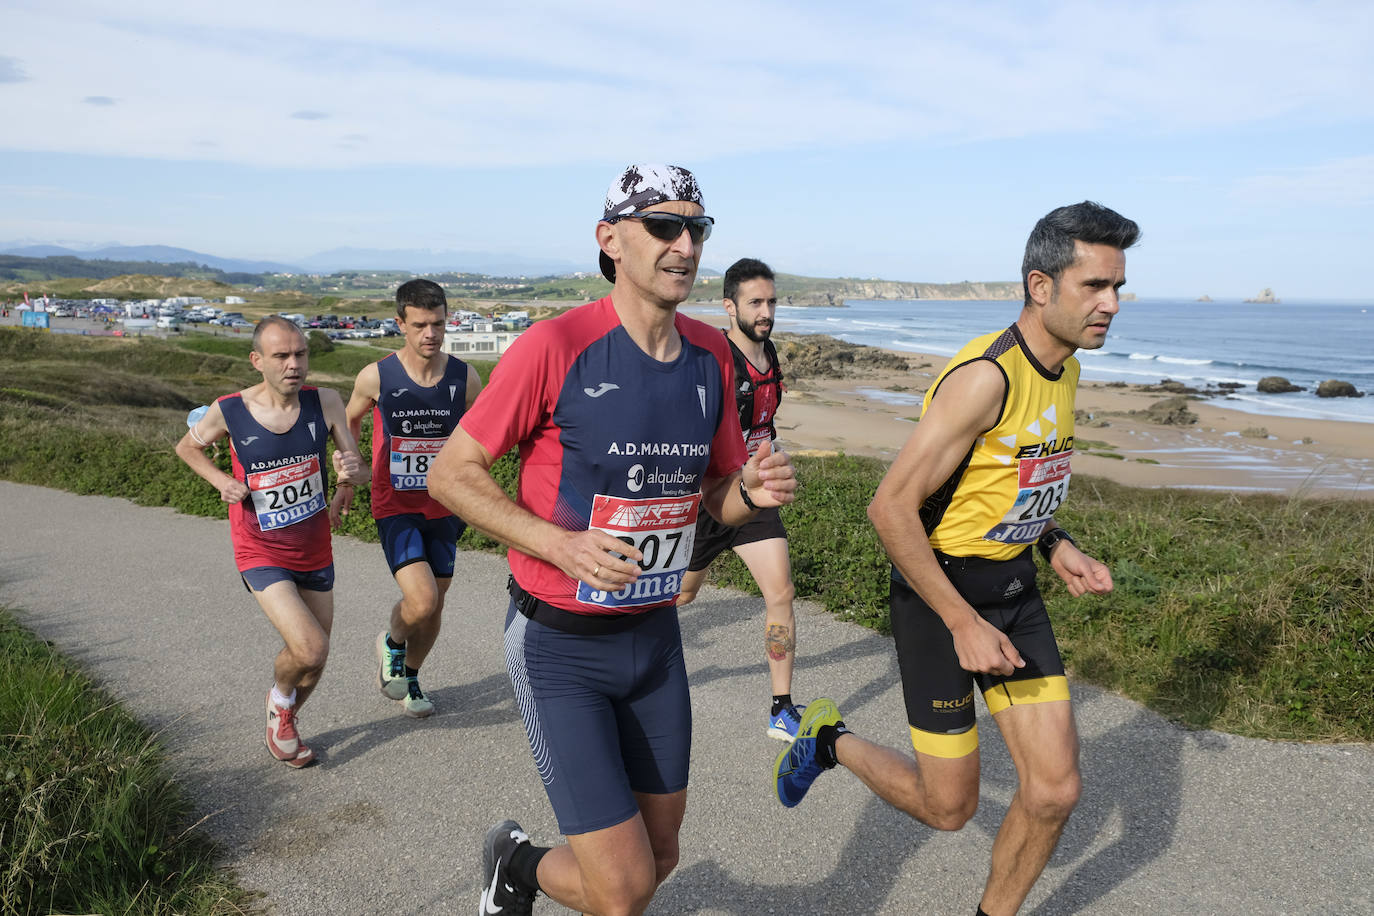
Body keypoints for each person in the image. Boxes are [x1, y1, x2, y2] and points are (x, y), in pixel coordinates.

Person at [427, 164, 797, 916]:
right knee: (624, 890)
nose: (685, 244)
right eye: (664, 225)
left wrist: (748, 492)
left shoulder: (707, 359)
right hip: (560, 645)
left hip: (655, 639)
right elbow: (450, 474)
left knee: (659, 857)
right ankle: (523, 866)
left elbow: (717, 494)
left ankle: (517, 866)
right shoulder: (554, 346)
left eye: (698, 228)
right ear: (611, 239)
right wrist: (559, 545)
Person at [774, 202, 1138, 916]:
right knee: (949, 809)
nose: (1112, 305)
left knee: (1055, 791)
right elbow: (890, 507)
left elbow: (1005, 484)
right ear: (1041, 286)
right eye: (1096, 286)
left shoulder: (1063, 370)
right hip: (941, 596)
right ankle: (826, 737)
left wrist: (1056, 542)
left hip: (1015, 588)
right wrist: (962, 622)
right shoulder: (985, 377)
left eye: (1119, 286)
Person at [175, 316, 368, 767]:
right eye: (281, 356)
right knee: (310, 648)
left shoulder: (326, 402)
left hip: (314, 544)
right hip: (259, 548)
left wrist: (349, 482)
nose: (293, 364)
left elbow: (353, 462)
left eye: (300, 354)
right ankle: (280, 701)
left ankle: (286, 717)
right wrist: (222, 481)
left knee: (316, 662)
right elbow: (187, 448)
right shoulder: (229, 409)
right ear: (257, 360)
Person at [329, 279, 481, 717]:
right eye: (419, 325)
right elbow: (348, 422)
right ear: (401, 324)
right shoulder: (376, 375)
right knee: (423, 600)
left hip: (446, 505)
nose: (430, 334)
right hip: (394, 503)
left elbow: (481, 433)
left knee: (434, 604)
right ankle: (391, 644)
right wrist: (345, 478)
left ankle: (411, 677)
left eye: (437, 323)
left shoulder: (464, 376)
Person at [676, 257, 805, 741]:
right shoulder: (714, 362)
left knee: (781, 593)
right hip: (709, 498)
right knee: (682, 594)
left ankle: (781, 707)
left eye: (771, 301)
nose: (766, 311)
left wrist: (770, 462)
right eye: (756, 302)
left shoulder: (770, 354)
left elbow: (763, 425)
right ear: (729, 306)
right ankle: (622, 660)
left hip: (757, 498)